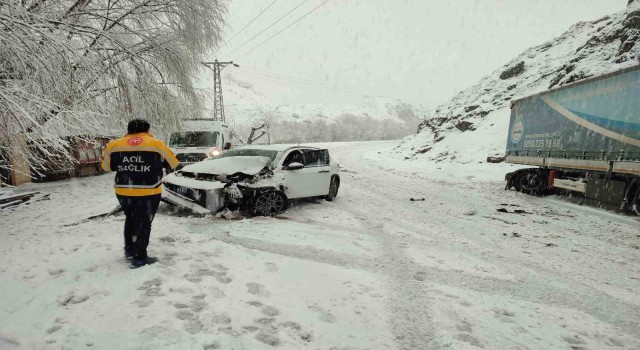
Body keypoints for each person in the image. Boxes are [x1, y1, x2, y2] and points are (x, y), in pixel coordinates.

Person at [101, 119, 178, 268]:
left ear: (128, 130)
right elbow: (173, 163)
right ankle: (140, 258)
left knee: (130, 218)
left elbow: (106, 167)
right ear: (147, 130)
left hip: (124, 190)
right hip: (149, 190)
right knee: (144, 222)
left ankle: (130, 250)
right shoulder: (157, 144)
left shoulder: (114, 145)